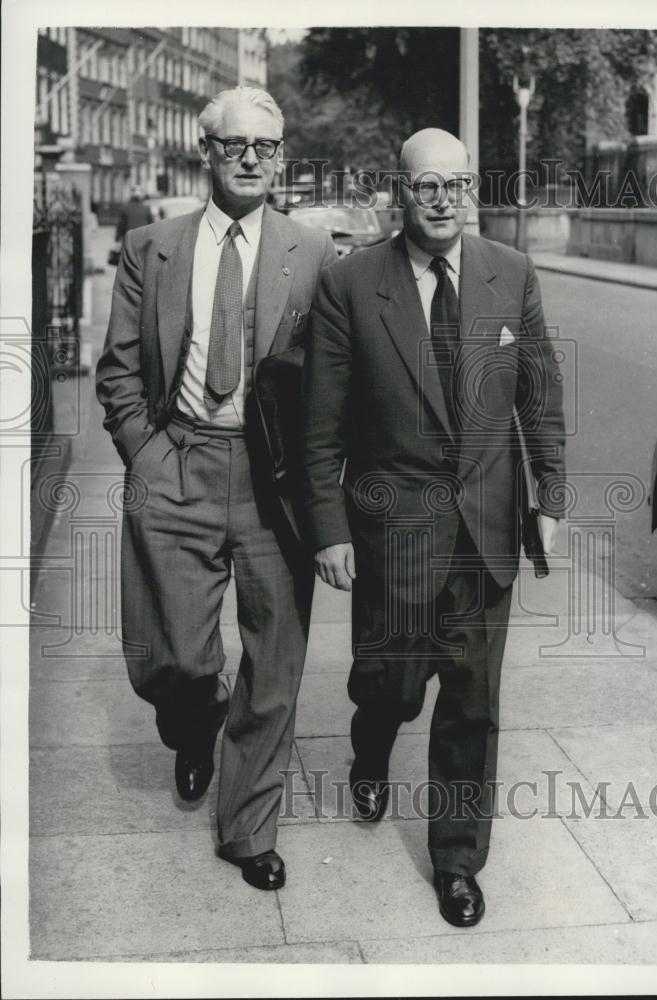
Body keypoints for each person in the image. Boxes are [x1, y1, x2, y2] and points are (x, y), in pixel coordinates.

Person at [301, 128, 566, 927]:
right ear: (400, 193)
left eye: (458, 184)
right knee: (393, 685)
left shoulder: (510, 273)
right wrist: (328, 528)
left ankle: (457, 861)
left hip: (486, 533)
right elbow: (321, 425)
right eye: (427, 186)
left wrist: (548, 498)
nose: (445, 199)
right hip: (393, 536)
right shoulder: (351, 285)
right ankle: (372, 745)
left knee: (473, 706)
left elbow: (540, 395)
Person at [96, 86, 336, 891]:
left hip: (275, 483)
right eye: (234, 144)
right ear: (206, 150)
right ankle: (193, 727)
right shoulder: (152, 247)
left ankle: (248, 830)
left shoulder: (313, 251)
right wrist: (149, 457)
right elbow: (118, 371)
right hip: (179, 462)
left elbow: (333, 383)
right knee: (172, 661)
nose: (250, 159)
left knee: (276, 664)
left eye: (265, 147)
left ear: (281, 157)